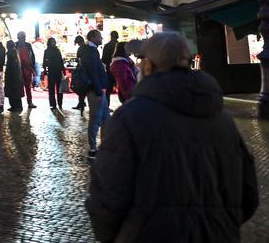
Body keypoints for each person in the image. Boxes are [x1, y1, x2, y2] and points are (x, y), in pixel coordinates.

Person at [86, 31, 258, 242]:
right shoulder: (224, 120)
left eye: (141, 61)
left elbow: (107, 196)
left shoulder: (129, 119)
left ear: (148, 67)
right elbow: (248, 194)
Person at [81, 29, 110, 160]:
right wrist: (98, 90)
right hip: (95, 90)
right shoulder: (90, 51)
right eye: (99, 36)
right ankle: (92, 150)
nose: (101, 39)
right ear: (92, 37)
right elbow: (93, 72)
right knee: (96, 119)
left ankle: (104, 146)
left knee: (105, 118)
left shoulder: (91, 50)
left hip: (98, 89)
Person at [15, 31, 37, 109]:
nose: (23, 39)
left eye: (24, 37)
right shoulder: (15, 45)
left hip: (27, 68)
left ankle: (29, 102)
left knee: (28, 86)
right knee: (18, 86)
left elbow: (32, 56)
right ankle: (18, 104)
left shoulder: (28, 45)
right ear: (18, 38)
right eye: (21, 37)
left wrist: (32, 68)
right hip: (18, 69)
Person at [43, 37, 65, 110]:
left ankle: (60, 103)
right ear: (49, 43)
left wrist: (63, 70)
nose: (53, 43)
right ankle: (53, 104)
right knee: (51, 89)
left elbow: (61, 60)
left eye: (54, 41)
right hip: (51, 71)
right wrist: (45, 70)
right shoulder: (47, 51)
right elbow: (44, 61)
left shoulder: (57, 50)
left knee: (59, 89)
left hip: (58, 71)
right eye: (52, 42)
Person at [4, 40, 25, 112]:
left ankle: (17, 106)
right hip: (14, 75)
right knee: (13, 91)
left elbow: (13, 65)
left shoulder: (12, 53)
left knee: (14, 91)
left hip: (13, 75)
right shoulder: (14, 52)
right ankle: (14, 106)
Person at [73, 35, 87, 112]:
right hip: (84, 69)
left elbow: (78, 59)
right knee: (81, 87)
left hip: (81, 70)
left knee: (78, 86)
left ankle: (81, 102)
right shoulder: (86, 47)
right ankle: (81, 102)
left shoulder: (81, 48)